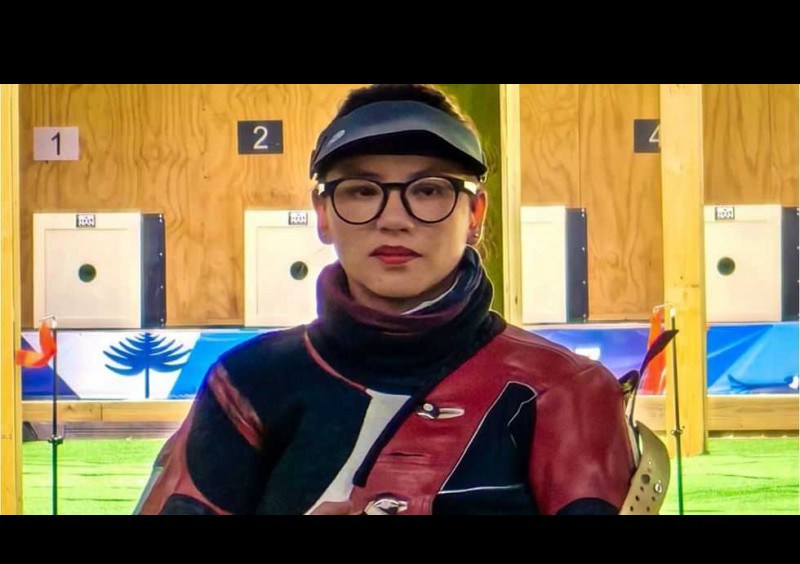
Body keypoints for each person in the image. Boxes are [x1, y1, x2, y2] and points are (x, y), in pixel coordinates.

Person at [135, 83, 637, 515]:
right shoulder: (245, 382)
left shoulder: (564, 391)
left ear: (475, 214)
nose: (394, 218)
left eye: (430, 190)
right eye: (361, 190)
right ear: (323, 213)